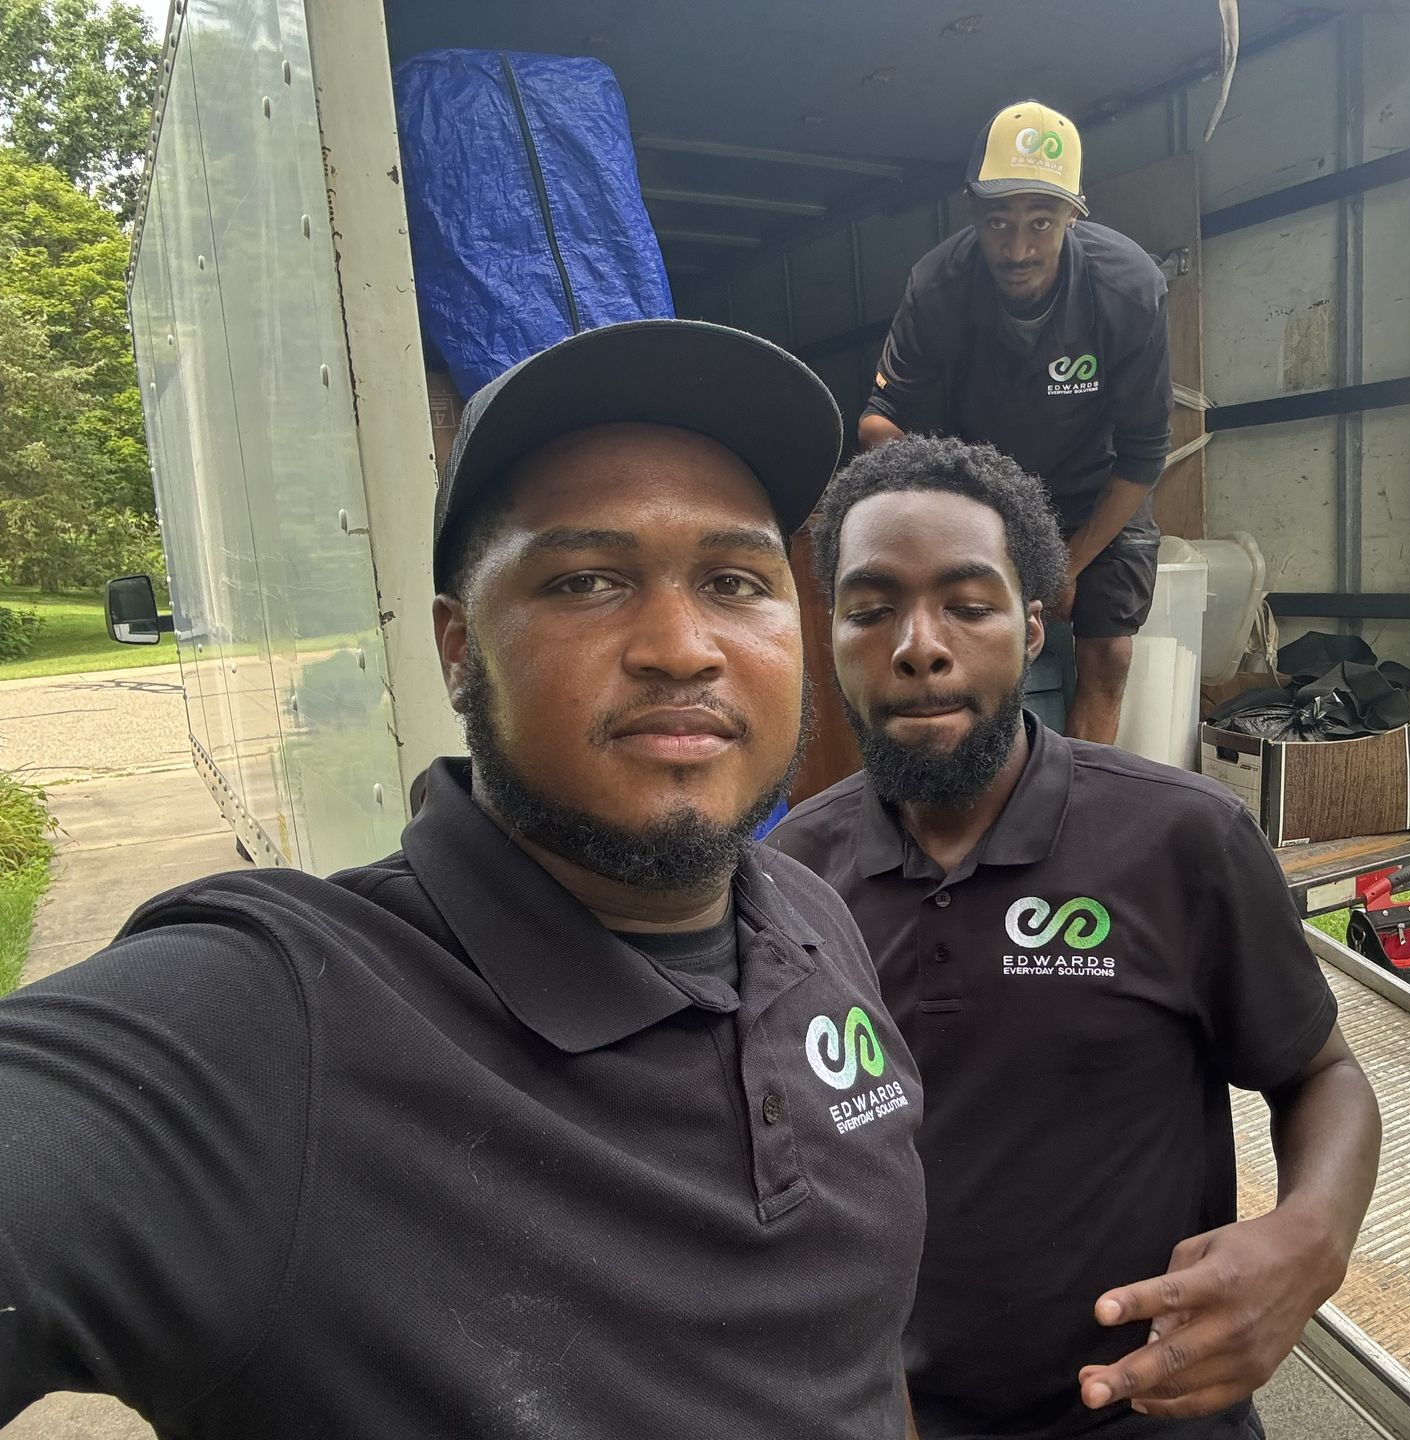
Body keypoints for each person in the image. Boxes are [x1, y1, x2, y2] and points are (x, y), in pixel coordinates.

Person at [0, 321, 927, 1439]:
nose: (682, 645)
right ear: (455, 649)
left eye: (736, 581)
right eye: (587, 580)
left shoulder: (810, 917)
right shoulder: (273, 1027)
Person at [768, 435, 1382, 1439]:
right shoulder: (788, 881)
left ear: (1036, 626)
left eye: (968, 605)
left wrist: (1312, 1239)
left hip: (1160, 1410)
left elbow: (1321, 1073)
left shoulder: (1181, 839)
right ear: (830, 634)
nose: (919, 645)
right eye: (873, 609)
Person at [858, 100, 1173, 746]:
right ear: (971, 211)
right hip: (986, 495)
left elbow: (1144, 454)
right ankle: (979, 791)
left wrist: (1068, 563)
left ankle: (1083, 809)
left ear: (1073, 216)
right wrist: (952, 506)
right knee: (974, 651)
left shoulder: (1129, 289)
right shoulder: (937, 287)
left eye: (1040, 222)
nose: (1018, 247)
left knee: (1107, 654)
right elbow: (879, 423)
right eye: (998, 222)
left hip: (1098, 490)